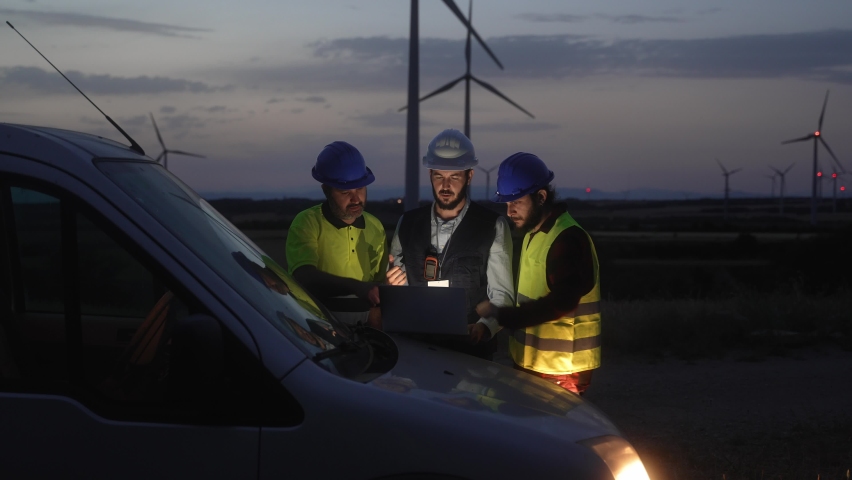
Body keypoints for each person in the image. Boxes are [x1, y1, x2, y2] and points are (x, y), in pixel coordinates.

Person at [476, 152, 601, 395]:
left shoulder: (568, 238)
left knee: (555, 432)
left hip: (561, 371)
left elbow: (561, 302)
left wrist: (503, 315)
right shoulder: (534, 236)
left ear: (541, 197)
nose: (509, 211)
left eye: (516, 202)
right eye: (507, 203)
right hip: (534, 365)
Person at [386, 129, 514, 359]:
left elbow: (502, 295)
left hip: (470, 354)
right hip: (416, 350)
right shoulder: (407, 223)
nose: (445, 185)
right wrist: (393, 286)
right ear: (430, 175)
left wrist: (485, 326)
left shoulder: (492, 225)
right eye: (438, 176)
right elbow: (396, 282)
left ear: (470, 176)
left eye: (454, 177)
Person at [286, 141, 388, 325]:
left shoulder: (375, 226)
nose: (356, 198)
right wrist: (356, 287)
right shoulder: (307, 222)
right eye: (344, 191)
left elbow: (378, 287)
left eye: (360, 188)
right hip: (318, 326)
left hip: (366, 331)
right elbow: (305, 277)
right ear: (326, 190)